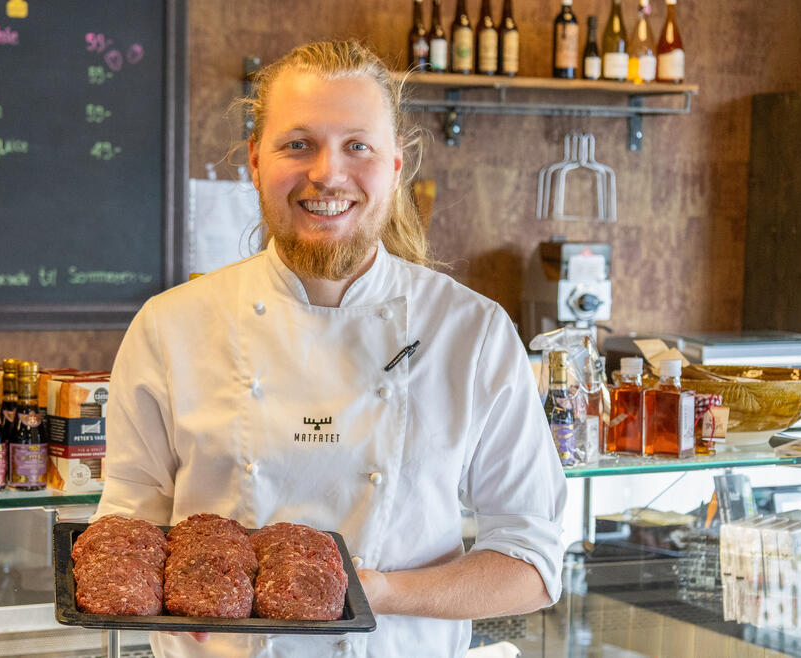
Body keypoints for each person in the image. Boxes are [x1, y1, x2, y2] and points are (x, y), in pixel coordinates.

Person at [94, 40, 567, 657]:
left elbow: (532, 565)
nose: (327, 174)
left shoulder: (471, 333)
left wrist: (374, 592)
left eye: (357, 146)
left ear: (395, 169)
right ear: (256, 165)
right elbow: (126, 532)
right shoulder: (170, 327)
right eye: (297, 144)